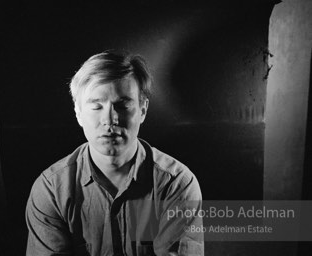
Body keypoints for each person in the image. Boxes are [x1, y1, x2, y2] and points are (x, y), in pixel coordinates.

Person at [25, 51, 204, 256]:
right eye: (96, 106)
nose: (109, 120)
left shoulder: (175, 184)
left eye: (122, 105)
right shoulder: (51, 190)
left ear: (143, 110)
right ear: (78, 113)